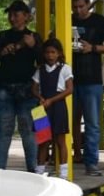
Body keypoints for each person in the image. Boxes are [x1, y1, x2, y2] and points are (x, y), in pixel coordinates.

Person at [0, 0, 42, 172]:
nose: (12, 18)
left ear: (26, 17)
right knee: (4, 130)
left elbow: (44, 61)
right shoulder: (3, 36)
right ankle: (1, 169)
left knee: (29, 131)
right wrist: (2, 51)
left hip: (28, 90)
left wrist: (34, 46)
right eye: (10, 15)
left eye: (16, 15)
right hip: (4, 89)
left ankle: (33, 170)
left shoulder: (34, 37)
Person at [70, 0, 104, 176]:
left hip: (92, 80)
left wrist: (93, 48)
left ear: (88, 3)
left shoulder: (98, 21)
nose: (78, 11)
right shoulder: (68, 19)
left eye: (81, 6)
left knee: (93, 123)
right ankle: (69, 158)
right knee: (67, 120)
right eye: (74, 7)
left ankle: (91, 162)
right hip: (69, 80)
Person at [31, 39, 73, 179]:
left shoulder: (65, 69)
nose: (50, 55)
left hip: (58, 106)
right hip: (42, 107)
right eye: (47, 52)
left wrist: (52, 100)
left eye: (53, 52)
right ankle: (39, 172)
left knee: (60, 140)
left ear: (59, 53)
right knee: (42, 141)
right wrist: (40, 98)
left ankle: (63, 174)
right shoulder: (40, 69)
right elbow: (34, 88)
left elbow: (69, 89)